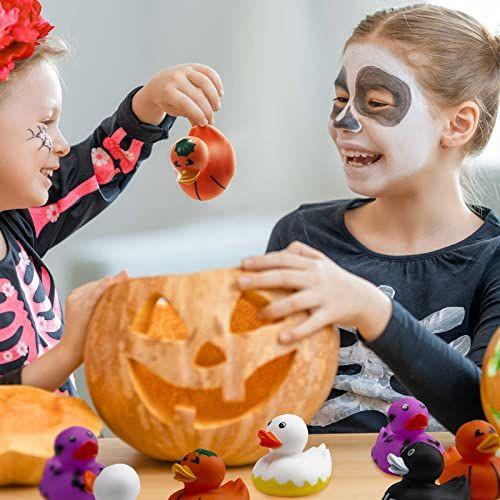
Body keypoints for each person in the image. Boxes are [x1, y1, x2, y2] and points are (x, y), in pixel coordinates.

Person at [239, 4, 500, 434]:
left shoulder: (493, 261)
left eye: (376, 102)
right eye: (340, 99)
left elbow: (485, 420)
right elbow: (254, 395)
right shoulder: (302, 237)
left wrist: (371, 310)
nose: (342, 121)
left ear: (458, 124)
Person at [0, 0, 223, 394]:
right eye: (46, 123)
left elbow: (97, 166)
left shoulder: (19, 221)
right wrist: (70, 350)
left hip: (64, 454)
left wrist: (150, 104)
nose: (62, 144)